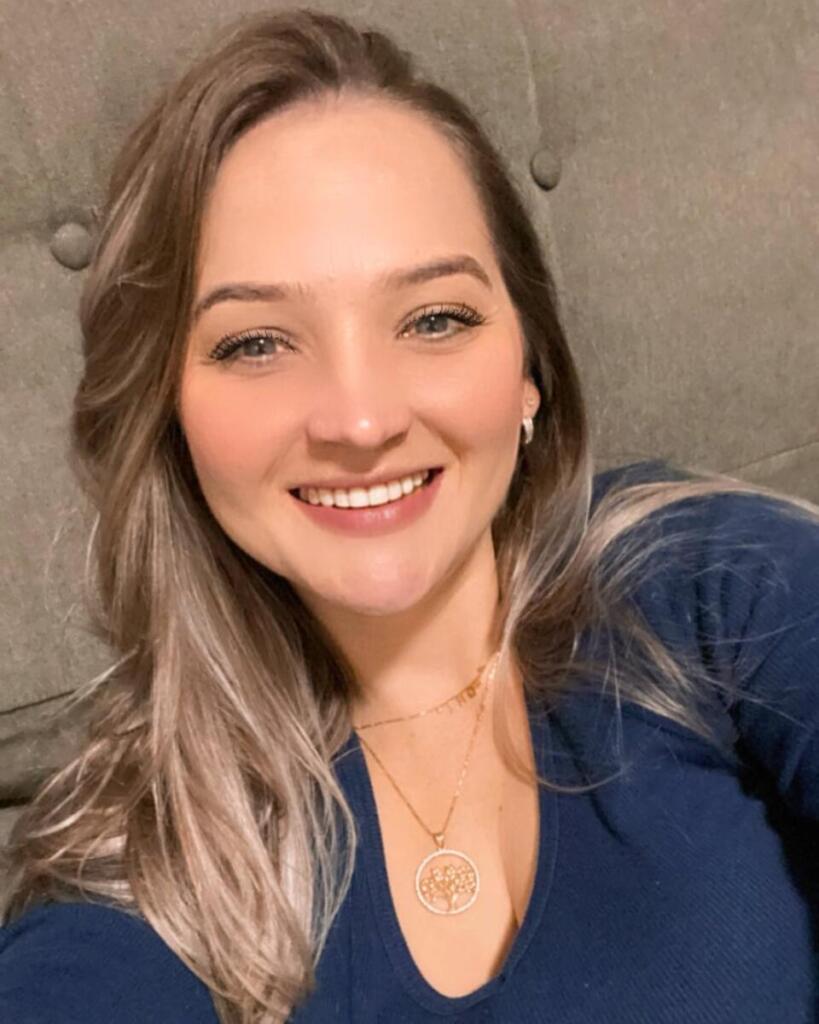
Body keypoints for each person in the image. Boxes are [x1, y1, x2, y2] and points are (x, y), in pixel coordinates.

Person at [1, 7, 817, 1023]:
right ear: (167, 412)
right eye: (256, 343)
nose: (360, 420)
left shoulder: (702, 581)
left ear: (529, 372)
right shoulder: (147, 857)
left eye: (434, 319)